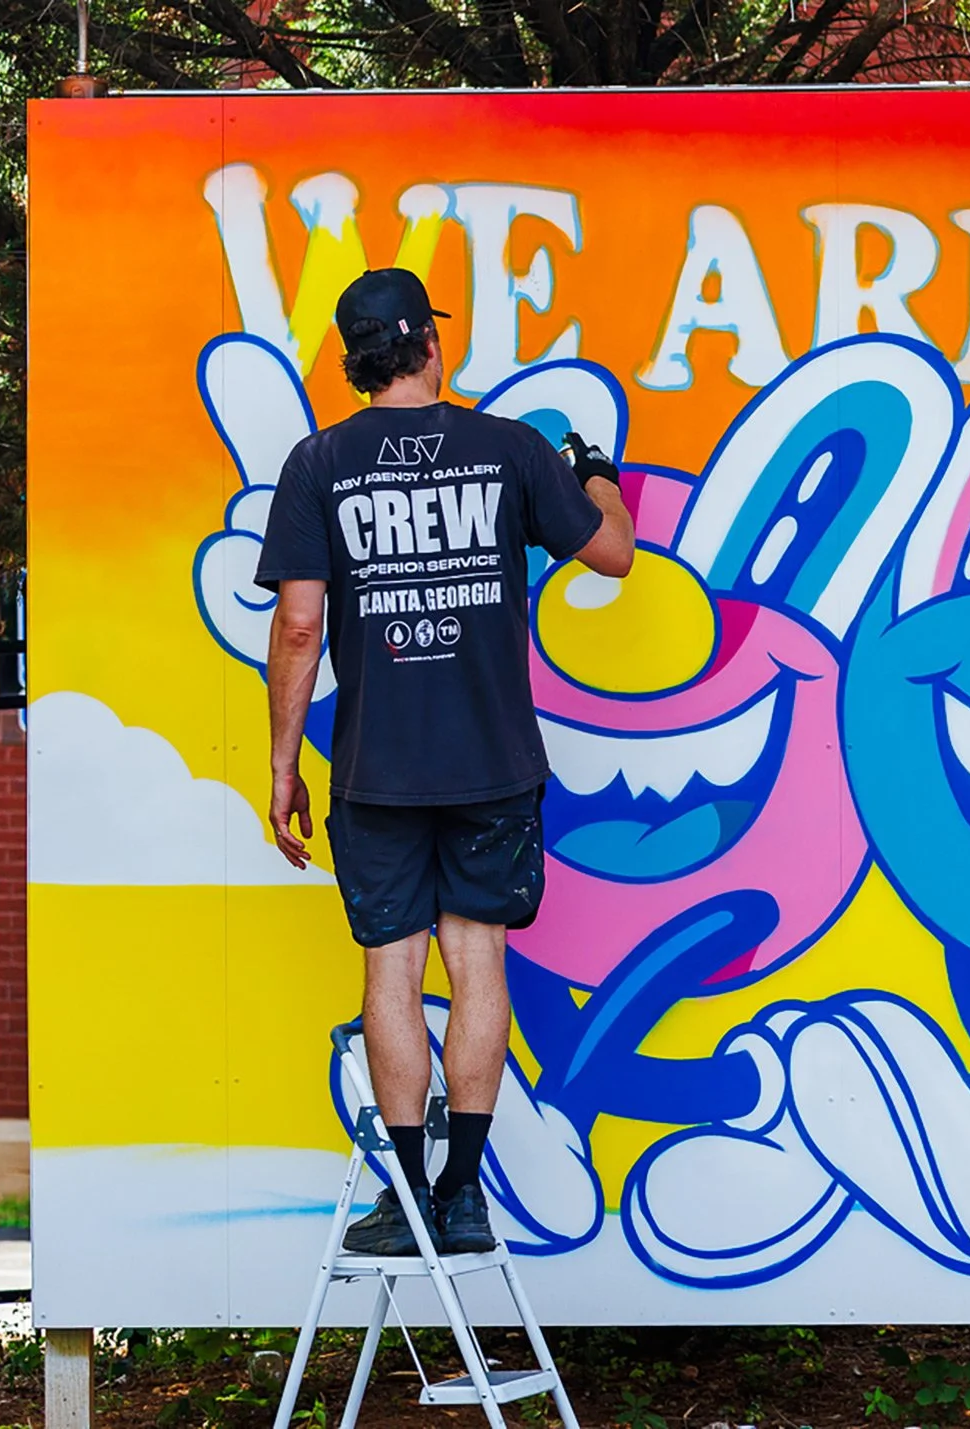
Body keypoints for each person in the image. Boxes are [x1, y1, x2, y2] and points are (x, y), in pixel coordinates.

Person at [255, 268, 634, 1256]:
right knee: (478, 963)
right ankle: (463, 1193)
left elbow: (299, 625)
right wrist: (592, 471)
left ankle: (411, 1200)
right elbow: (614, 553)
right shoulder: (508, 449)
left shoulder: (319, 462)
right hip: (492, 764)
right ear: (428, 342)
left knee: (392, 969)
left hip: (377, 770)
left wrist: (284, 763)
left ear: (358, 358)